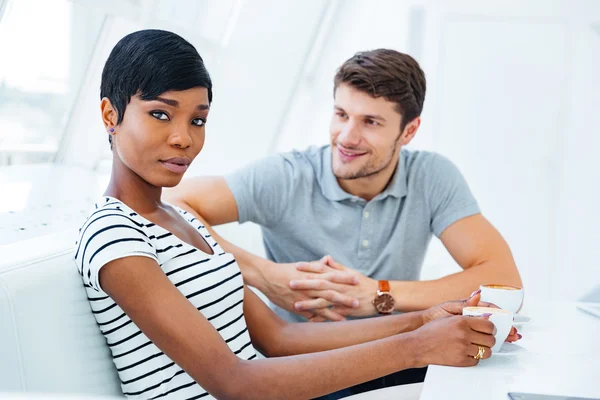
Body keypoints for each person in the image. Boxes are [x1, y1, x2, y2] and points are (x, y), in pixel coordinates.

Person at [74, 29, 510, 400]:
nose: (182, 138)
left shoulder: (183, 224)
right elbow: (235, 382)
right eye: (160, 115)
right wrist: (416, 346)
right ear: (110, 114)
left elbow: (281, 339)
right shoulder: (114, 233)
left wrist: (423, 320)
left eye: (198, 120)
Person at [166, 49, 523, 324]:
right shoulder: (288, 175)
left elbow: (504, 279)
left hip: (399, 356)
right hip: (301, 363)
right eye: (341, 115)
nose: (347, 137)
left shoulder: (432, 176)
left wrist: (382, 294)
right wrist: (266, 275)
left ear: (409, 131)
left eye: (370, 122)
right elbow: (170, 200)